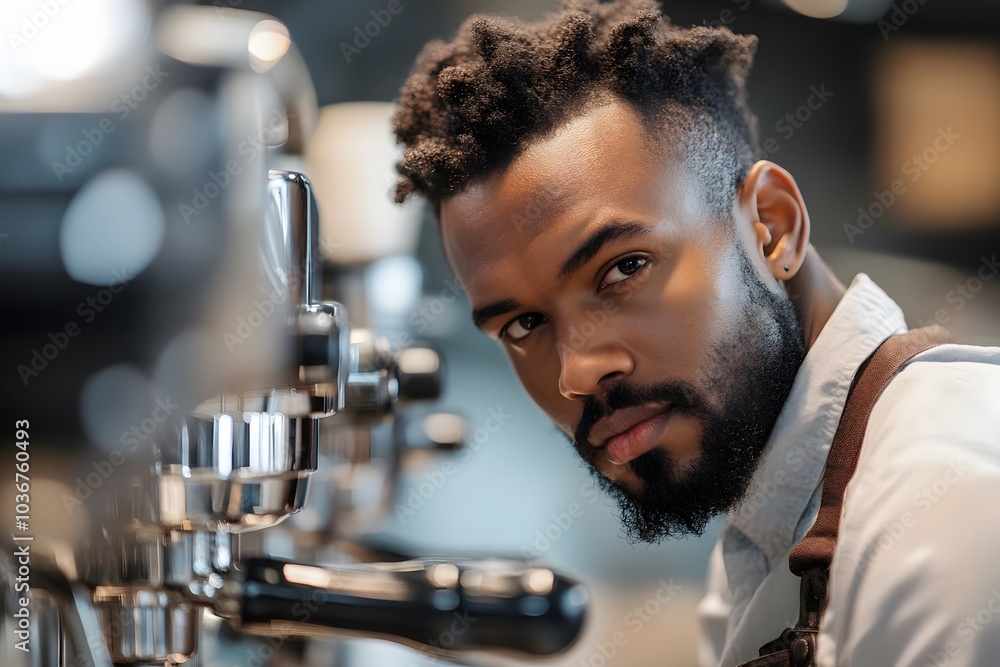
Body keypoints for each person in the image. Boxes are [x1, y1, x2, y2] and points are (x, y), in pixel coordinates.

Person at [390, 1, 1000, 665]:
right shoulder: (764, 534)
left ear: (771, 226)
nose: (576, 372)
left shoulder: (944, 500)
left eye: (622, 268)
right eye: (524, 323)